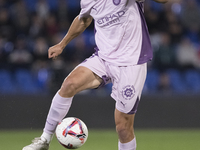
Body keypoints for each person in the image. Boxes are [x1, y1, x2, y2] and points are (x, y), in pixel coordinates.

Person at [22, 0, 168, 150]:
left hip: (131, 61)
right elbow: (84, 19)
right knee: (69, 84)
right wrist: (62, 44)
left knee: (123, 127)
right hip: (104, 58)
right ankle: (44, 140)